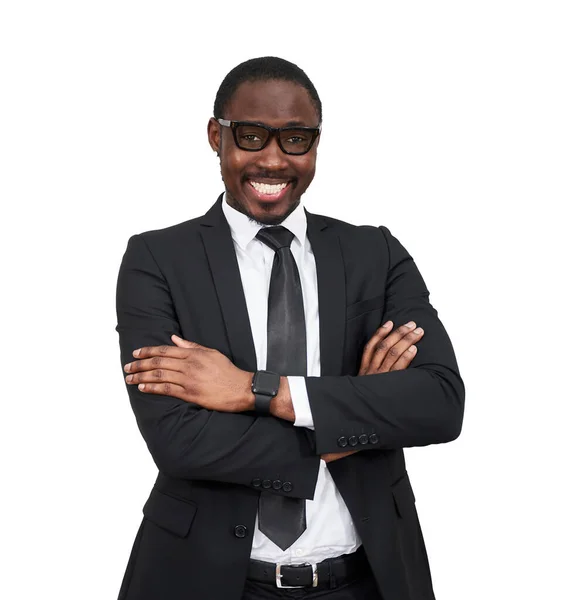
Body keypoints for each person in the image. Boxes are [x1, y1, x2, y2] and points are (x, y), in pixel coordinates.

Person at [115, 56, 464, 600]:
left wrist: (256, 391)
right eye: (252, 136)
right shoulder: (157, 259)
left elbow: (440, 403)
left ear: (317, 143)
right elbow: (178, 441)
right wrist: (354, 420)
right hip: (205, 579)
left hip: (366, 579)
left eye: (296, 139)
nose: (274, 160)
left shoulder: (376, 253)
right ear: (216, 135)